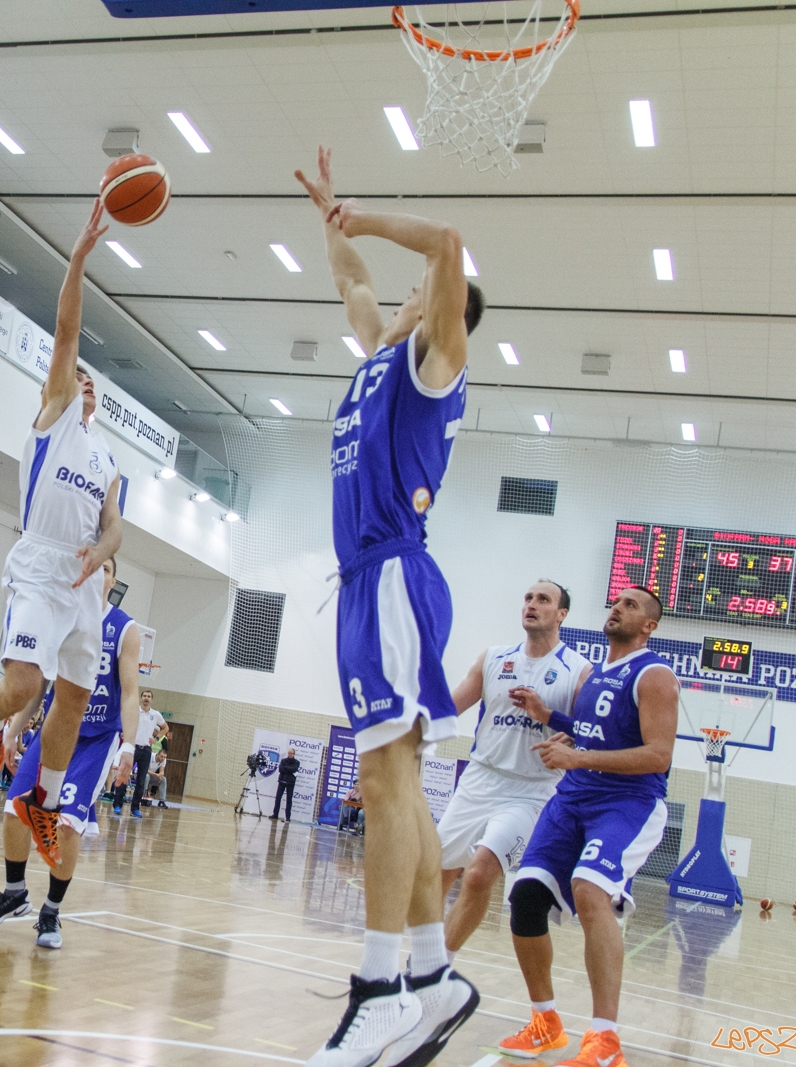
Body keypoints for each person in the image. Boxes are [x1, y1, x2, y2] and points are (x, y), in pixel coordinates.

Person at [295, 146, 485, 1067]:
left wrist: (368, 215)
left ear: (440, 314)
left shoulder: (433, 364)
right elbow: (353, 282)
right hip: (363, 581)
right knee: (395, 781)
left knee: (382, 784)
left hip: (396, 576)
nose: (404, 292)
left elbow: (447, 244)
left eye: (422, 291)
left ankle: (382, 988)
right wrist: (335, 225)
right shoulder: (377, 354)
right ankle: (432, 971)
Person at [0, 201, 124, 873]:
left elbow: (116, 522)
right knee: (26, 684)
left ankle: (47, 798)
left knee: (78, 694)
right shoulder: (53, 417)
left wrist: (104, 549)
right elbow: (67, 328)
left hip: (83, 575)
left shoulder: (108, 460)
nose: (83, 383)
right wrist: (80, 258)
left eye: (93, 382)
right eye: (78, 376)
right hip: (39, 562)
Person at [496, 587, 678, 1067]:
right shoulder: (599, 674)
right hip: (574, 797)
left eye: (632, 605)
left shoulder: (655, 674)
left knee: (590, 891)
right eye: (617, 601)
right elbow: (594, 730)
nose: (618, 607)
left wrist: (578, 757)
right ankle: (545, 1023)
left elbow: (659, 755)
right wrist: (548, 716)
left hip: (628, 803)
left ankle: (604, 1041)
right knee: (526, 898)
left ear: (649, 626)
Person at [0, 556, 140, 949]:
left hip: (96, 741)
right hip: (53, 732)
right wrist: (14, 731)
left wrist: (129, 747)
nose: (98, 574)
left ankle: (51, 912)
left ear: (112, 580)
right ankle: (14, 893)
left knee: (65, 824)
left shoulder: (124, 628)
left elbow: (130, 693)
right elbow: (41, 682)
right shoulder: (64, 615)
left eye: (107, 570)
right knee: (14, 809)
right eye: (94, 567)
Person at [438, 581, 589, 959]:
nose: (532, 605)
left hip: (532, 790)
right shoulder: (493, 658)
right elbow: (448, 708)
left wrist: (568, 737)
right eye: (528, 598)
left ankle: (434, 968)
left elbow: (592, 734)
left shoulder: (578, 670)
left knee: (478, 873)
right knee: (435, 877)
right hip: (479, 780)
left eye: (543, 599)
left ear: (562, 614)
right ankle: (421, 958)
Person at [111, 690, 164, 817]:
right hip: (132, 748)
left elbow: (165, 728)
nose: (146, 698)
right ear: (141, 698)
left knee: (141, 781)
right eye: (144, 696)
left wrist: (156, 739)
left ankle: (135, 808)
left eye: (149, 696)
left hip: (146, 750)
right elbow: (123, 720)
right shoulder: (134, 711)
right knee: (124, 775)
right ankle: (118, 804)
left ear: (152, 699)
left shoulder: (156, 714)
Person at [270, 748, 302, 822]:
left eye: (291, 753)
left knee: (289, 800)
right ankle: (275, 814)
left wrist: (286, 768)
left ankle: (288, 817)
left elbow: (294, 769)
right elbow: (281, 769)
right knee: (278, 798)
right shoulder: (283, 760)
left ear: (294, 754)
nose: (290, 754)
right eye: (289, 753)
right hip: (282, 781)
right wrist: (289, 770)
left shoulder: (297, 762)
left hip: (290, 783)